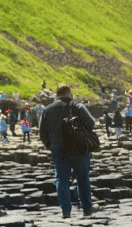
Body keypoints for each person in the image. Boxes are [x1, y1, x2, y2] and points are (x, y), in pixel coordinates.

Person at [38, 84, 100, 218]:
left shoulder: (47, 110)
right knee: (83, 179)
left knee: (62, 180)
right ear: (68, 93)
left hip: (58, 149)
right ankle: (87, 209)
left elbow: (42, 133)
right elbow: (92, 123)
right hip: (79, 148)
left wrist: (51, 145)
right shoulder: (77, 106)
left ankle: (66, 211)